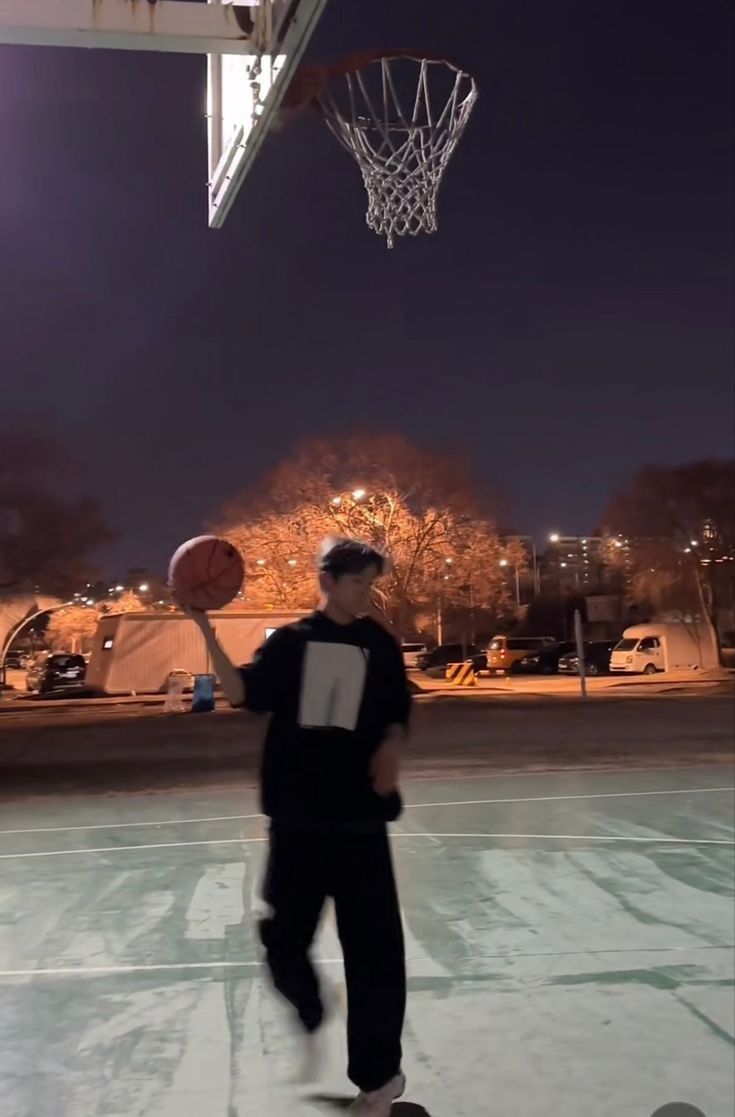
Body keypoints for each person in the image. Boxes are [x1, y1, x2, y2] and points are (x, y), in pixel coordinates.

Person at [183, 538, 411, 1117]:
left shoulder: (378, 644)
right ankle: (312, 1006)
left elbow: (396, 711)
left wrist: (391, 745)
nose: (366, 592)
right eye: (358, 581)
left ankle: (379, 1082)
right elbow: (242, 694)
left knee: (376, 957)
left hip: (360, 820)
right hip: (299, 821)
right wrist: (205, 629)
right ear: (328, 580)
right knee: (283, 943)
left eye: (371, 582)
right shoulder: (291, 644)